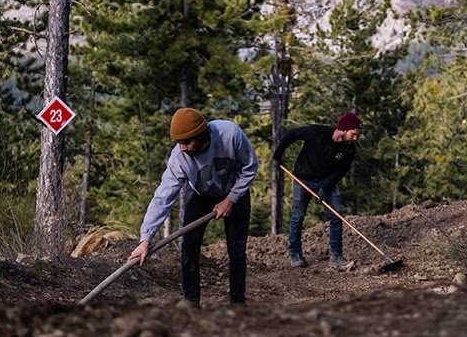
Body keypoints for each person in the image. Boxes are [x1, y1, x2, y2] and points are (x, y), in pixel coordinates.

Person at [128, 108, 258, 307]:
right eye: (179, 143)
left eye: (187, 142)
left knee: (237, 250)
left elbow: (250, 166)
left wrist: (231, 199)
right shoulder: (178, 159)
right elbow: (162, 197)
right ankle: (191, 301)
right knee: (188, 248)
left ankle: (238, 302)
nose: (183, 148)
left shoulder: (230, 135)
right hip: (200, 194)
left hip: (235, 191)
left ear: (201, 135)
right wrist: (145, 239)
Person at [272, 111, 362, 269]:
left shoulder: (349, 150)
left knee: (336, 215)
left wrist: (324, 186)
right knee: (297, 216)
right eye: (353, 134)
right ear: (343, 129)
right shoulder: (317, 133)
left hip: (327, 182)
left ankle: (336, 256)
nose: (355, 138)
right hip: (303, 178)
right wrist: (277, 156)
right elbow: (290, 135)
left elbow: (340, 172)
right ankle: (295, 254)